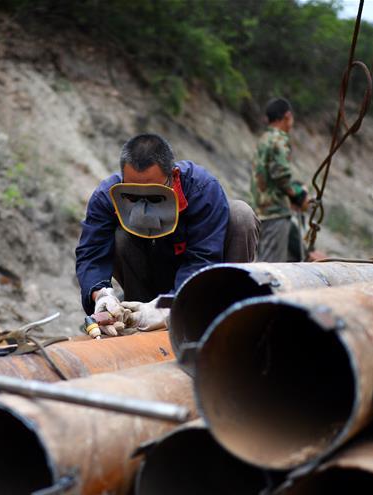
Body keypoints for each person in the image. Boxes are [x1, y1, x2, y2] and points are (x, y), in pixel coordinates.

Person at [75, 133, 260, 335]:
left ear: (173, 175)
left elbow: (203, 259)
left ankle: (226, 312)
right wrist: (101, 295)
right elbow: (91, 253)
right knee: (119, 235)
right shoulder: (107, 195)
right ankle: (137, 317)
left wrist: (166, 308)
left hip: (200, 287)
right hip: (147, 280)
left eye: (154, 195)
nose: (143, 206)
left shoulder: (202, 189)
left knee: (240, 215)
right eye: (133, 194)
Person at [250, 97, 311, 262]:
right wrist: (298, 194)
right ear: (287, 116)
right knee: (271, 267)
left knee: (262, 260)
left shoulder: (263, 139)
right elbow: (281, 175)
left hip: (260, 210)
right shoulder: (279, 140)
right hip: (275, 212)